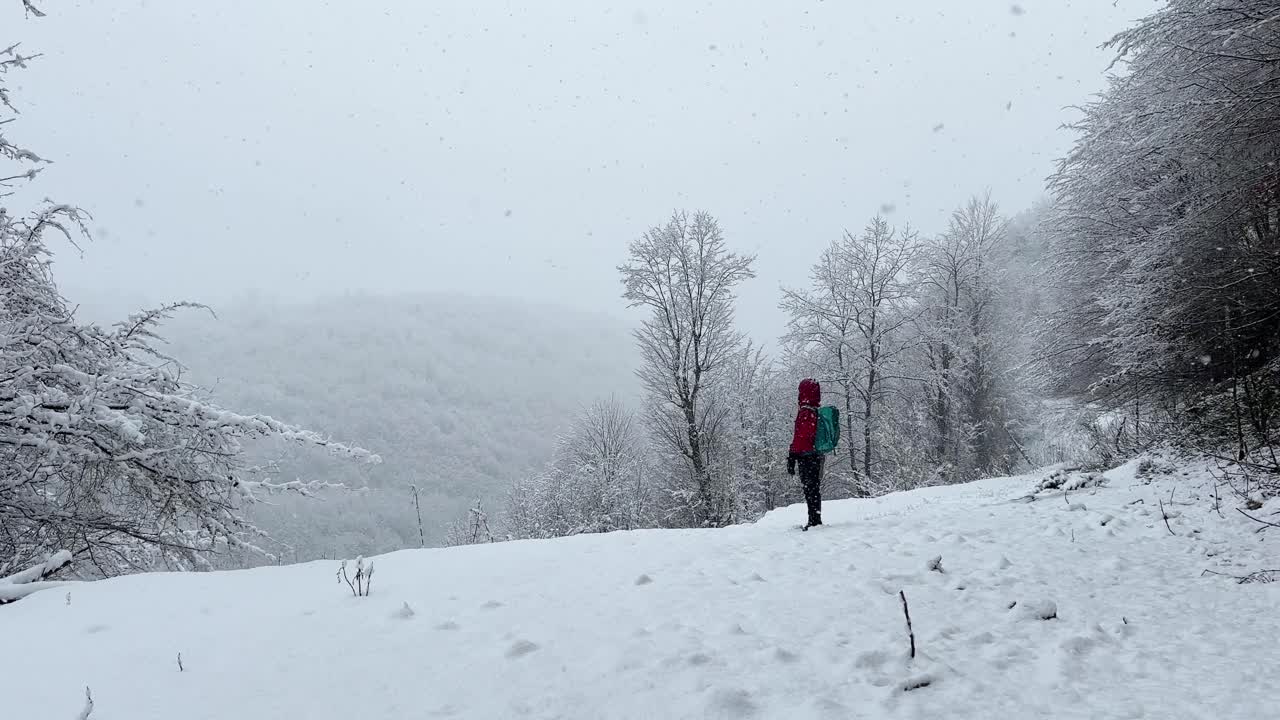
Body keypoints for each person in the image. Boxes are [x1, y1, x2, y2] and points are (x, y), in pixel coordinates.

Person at [787, 378, 824, 529]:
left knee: (810, 488)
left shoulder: (805, 411)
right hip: (816, 455)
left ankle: (814, 521)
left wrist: (792, 456)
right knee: (814, 487)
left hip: (806, 456)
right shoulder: (816, 410)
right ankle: (815, 518)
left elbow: (800, 437)